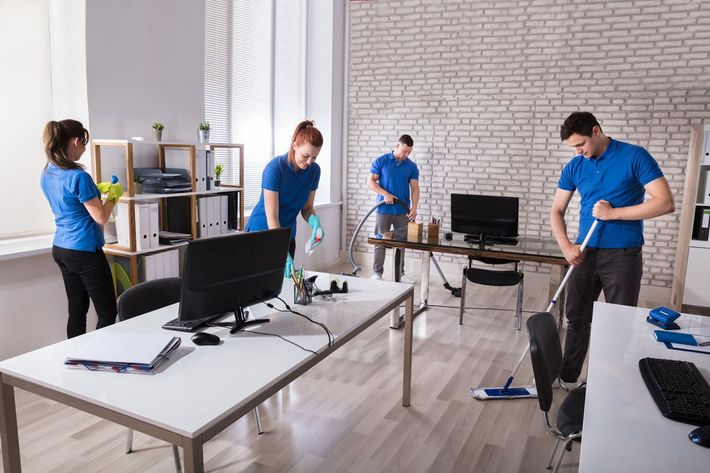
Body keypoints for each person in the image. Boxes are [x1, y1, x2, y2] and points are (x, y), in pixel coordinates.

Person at [550, 111, 675, 387]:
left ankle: (603, 385)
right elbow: (557, 211)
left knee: (618, 322)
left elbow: (665, 202)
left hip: (623, 255)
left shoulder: (634, 156)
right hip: (584, 252)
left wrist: (614, 213)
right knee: (577, 318)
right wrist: (566, 246)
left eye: (580, 144)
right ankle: (568, 378)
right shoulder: (575, 166)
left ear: (596, 131)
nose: (578, 151)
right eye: (572, 147)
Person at [41, 119, 124, 338]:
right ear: (76, 141)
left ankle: (76, 358)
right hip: (84, 251)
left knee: (77, 311)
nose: (84, 149)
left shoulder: (48, 172)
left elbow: (69, 201)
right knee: (107, 312)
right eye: (84, 144)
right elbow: (101, 217)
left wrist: (95, 192)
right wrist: (114, 194)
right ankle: (99, 359)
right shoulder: (79, 176)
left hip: (62, 248)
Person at [245, 120, 325, 277]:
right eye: (306, 155)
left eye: (314, 157)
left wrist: (315, 224)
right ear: (294, 145)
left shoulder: (314, 171)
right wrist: (281, 250)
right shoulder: (275, 168)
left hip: (287, 234)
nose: (309, 162)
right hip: (262, 232)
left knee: (284, 286)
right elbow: (272, 217)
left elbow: (307, 208)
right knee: (258, 285)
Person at [368, 134, 420, 280]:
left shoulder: (411, 166)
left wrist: (414, 207)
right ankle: (377, 273)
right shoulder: (382, 161)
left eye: (409, 152)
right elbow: (370, 181)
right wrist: (385, 194)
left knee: (401, 242)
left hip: (403, 211)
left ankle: (400, 273)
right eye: (404, 151)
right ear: (397, 146)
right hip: (383, 209)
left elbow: (415, 188)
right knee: (380, 240)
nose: (406, 155)